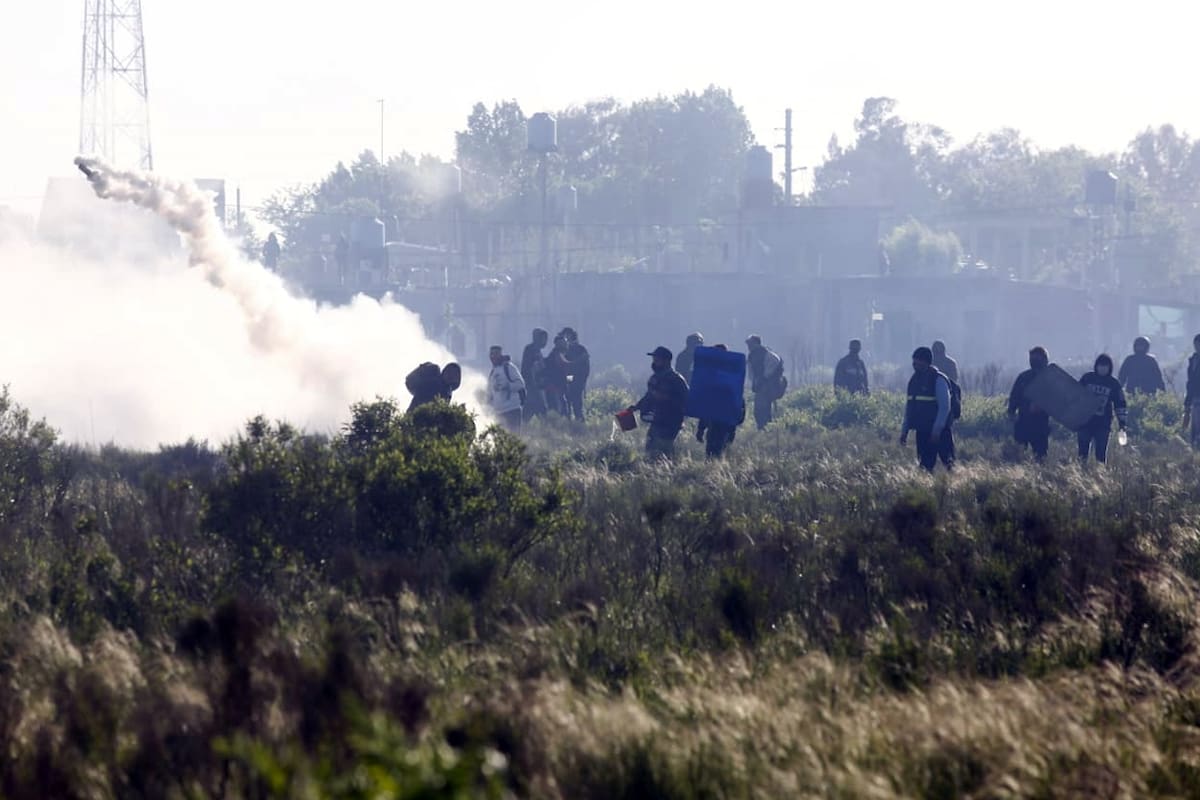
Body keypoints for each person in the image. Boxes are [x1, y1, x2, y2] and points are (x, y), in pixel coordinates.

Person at [628, 346, 690, 458]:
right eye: (654, 359)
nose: (654, 362)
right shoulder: (655, 378)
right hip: (657, 420)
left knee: (663, 452)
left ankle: (666, 471)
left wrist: (667, 399)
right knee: (650, 449)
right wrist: (637, 407)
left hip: (671, 422)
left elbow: (685, 400)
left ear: (666, 361)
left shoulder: (677, 379)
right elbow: (649, 396)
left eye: (657, 359)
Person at [900, 347, 955, 472]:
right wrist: (904, 431)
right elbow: (909, 408)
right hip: (922, 431)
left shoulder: (938, 380)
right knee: (925, 466)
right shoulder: (913, 381)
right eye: (913, 362)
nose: (914, 366)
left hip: (941, 432)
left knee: (948, 463)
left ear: (926, 362)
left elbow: (944, 408)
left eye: (917, 363)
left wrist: (936, 430)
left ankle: (953, 487)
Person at [695, 344, 744, 458]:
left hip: (726, 423)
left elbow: (737, 401)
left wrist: (736, 420)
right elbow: (706, 404)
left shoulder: (733, 376)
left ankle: (720, 472)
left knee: (721, 453)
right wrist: (701, 428)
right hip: (713, 423)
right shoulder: (710, 376)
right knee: (711, 454)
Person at [1078, 354, 1128, 464]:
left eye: (1105, 366)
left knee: (1100, 455)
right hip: (1085, 422)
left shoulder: (1113, 384)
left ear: (1110, 367)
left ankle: (1100, 477)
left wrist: (1122, 422)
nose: (1102, 368)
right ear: (1096, 366)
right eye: (1101, 365)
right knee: (1082, 454)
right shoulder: (1087, 378)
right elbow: (1075, 396)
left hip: (1103, 423)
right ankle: (1080, 474)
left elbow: (1120, 404)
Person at [1007, 346, 1052, 462]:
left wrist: (1043, 407)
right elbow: (1014, 397)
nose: (1034, 360)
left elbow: (1058, 401)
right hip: (1023, 422)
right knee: (1019, 456)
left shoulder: (1051, 379)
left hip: (1041, 424)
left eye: (1037, 358)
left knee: (1041, 457)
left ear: (1045, 359)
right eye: (1032, 357)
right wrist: (1011, 412)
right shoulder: (1023, 377)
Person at [746, 334, 786, 430]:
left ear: (756, 343)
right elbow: (750, 372)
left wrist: (764, 377)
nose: (748, 346)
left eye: (750, 343)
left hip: (769, 386)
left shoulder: (766, 353)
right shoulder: (752, 356)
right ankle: (764, 429)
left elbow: (776, 361)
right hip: (761, 386)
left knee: (762, 409)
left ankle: (766, 429)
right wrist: (755, 381)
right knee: (759, 411)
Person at [487, 346, 526, 432]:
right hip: (498, 413)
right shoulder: (492, 373)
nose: (493, 357)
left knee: (514, 437)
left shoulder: (509, 367)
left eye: (496, 354)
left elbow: (521, 384)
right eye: (491, 354)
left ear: (500, 355)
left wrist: (508, 386)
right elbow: (490, 395)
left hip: (512, 410)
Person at [560, 327, 590, 422]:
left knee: (577, 407)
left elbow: (584, 369)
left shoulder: (580, 349)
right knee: (567, 408)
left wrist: (578, 382)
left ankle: (579, 427)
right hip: (568, 384)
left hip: (577, 383)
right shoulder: (564, 350)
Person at [520, 328, 549, 420]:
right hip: (533, 388)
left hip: (536, 388)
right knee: (541, 411)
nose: (545, 342)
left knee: (530, 412)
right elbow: (528, 369)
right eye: (543, 339)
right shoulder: (530, 350)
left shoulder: (537, 351)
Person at [543, 335, 570, 416]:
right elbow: (565, 371)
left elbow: (568, 373)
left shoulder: (561, 356)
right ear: (558, 344)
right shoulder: (555, 356)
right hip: (555, 390)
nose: (566, 345)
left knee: (563, 413)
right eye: (564, 343)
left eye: (566, 343)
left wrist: (568, 384)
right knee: (558, 414)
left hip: (559, 390)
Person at [1183, 334, 1200, 447]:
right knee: (1195, 426)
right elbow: (1191, 382)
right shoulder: (1193, 360)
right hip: (1195, 397)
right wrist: (1187, 402)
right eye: (1197, 344)